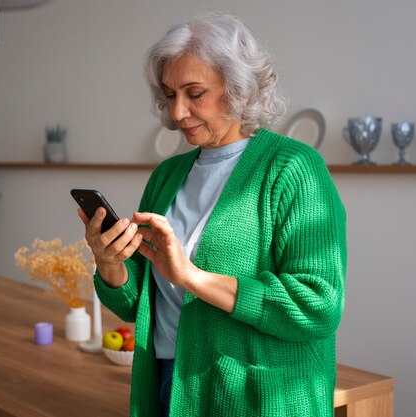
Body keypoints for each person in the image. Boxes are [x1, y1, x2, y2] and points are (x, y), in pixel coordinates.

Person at [77, 12, 346, 417]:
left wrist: (192, 277)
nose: (177, 113)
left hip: (257, 400)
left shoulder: (293, 169)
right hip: (171, 385)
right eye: (170, 95)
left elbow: (317, 305)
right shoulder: (167, 176)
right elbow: (142, 306)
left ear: (237, 89)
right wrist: (110, 262)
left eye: (194, 93)